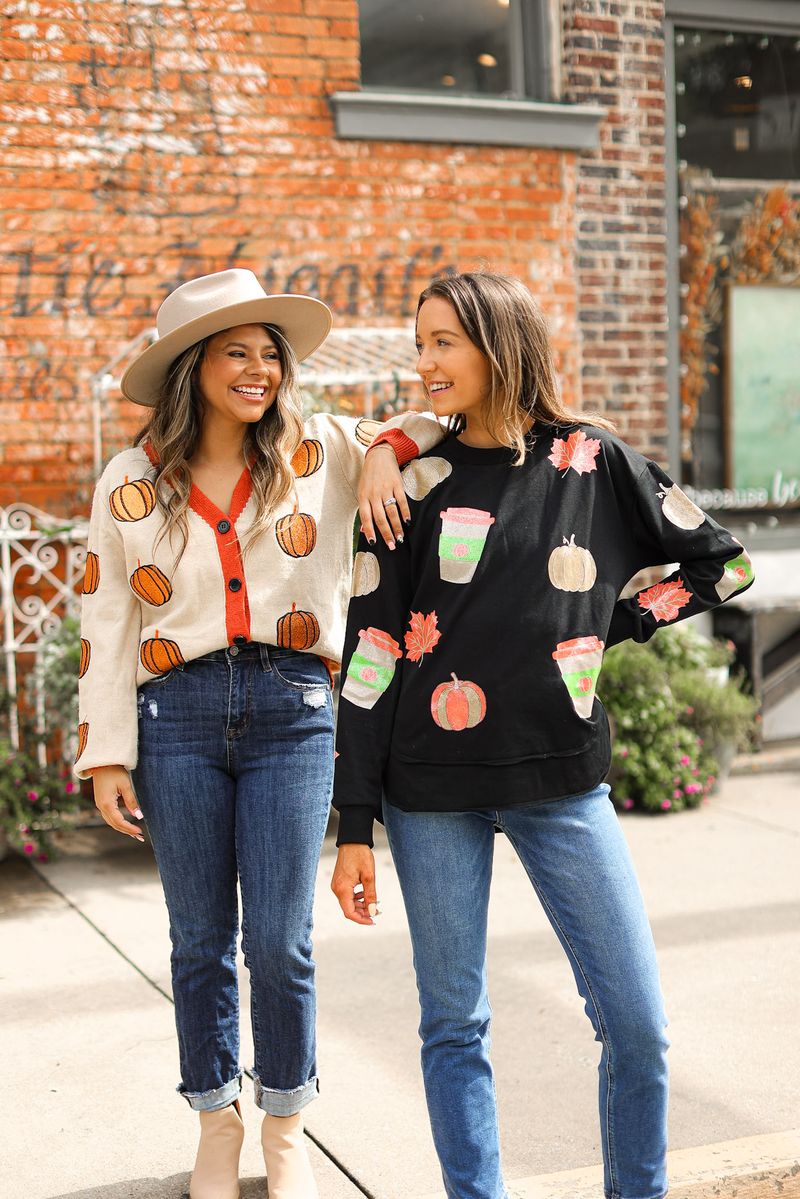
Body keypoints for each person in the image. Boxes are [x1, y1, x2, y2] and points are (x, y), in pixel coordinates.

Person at [331, 271, 755, 1199]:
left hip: (563, 781)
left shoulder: (589, 462)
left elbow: (721, 563)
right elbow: (371, 651)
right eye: (422, 341)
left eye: (447, 341)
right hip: (429, 787)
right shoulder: (410, 479)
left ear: (501, 343)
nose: (427, 360)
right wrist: (353, 822)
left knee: (637, 1026)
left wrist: (612, 623)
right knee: (453, 1024)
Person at [76, 268, 445, 1199]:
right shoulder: (130, 480)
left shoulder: (322, 447)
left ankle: (286, 1127)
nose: (258, 368)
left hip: (292, 712)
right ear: (193, 366)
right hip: (177, 717)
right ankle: (214, 1120)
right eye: (235, 351)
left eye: (269, 353)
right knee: (200, 939)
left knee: (280, 941)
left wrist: (384, 450)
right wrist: (105, 751)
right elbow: (108, 618)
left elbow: (446, 427)